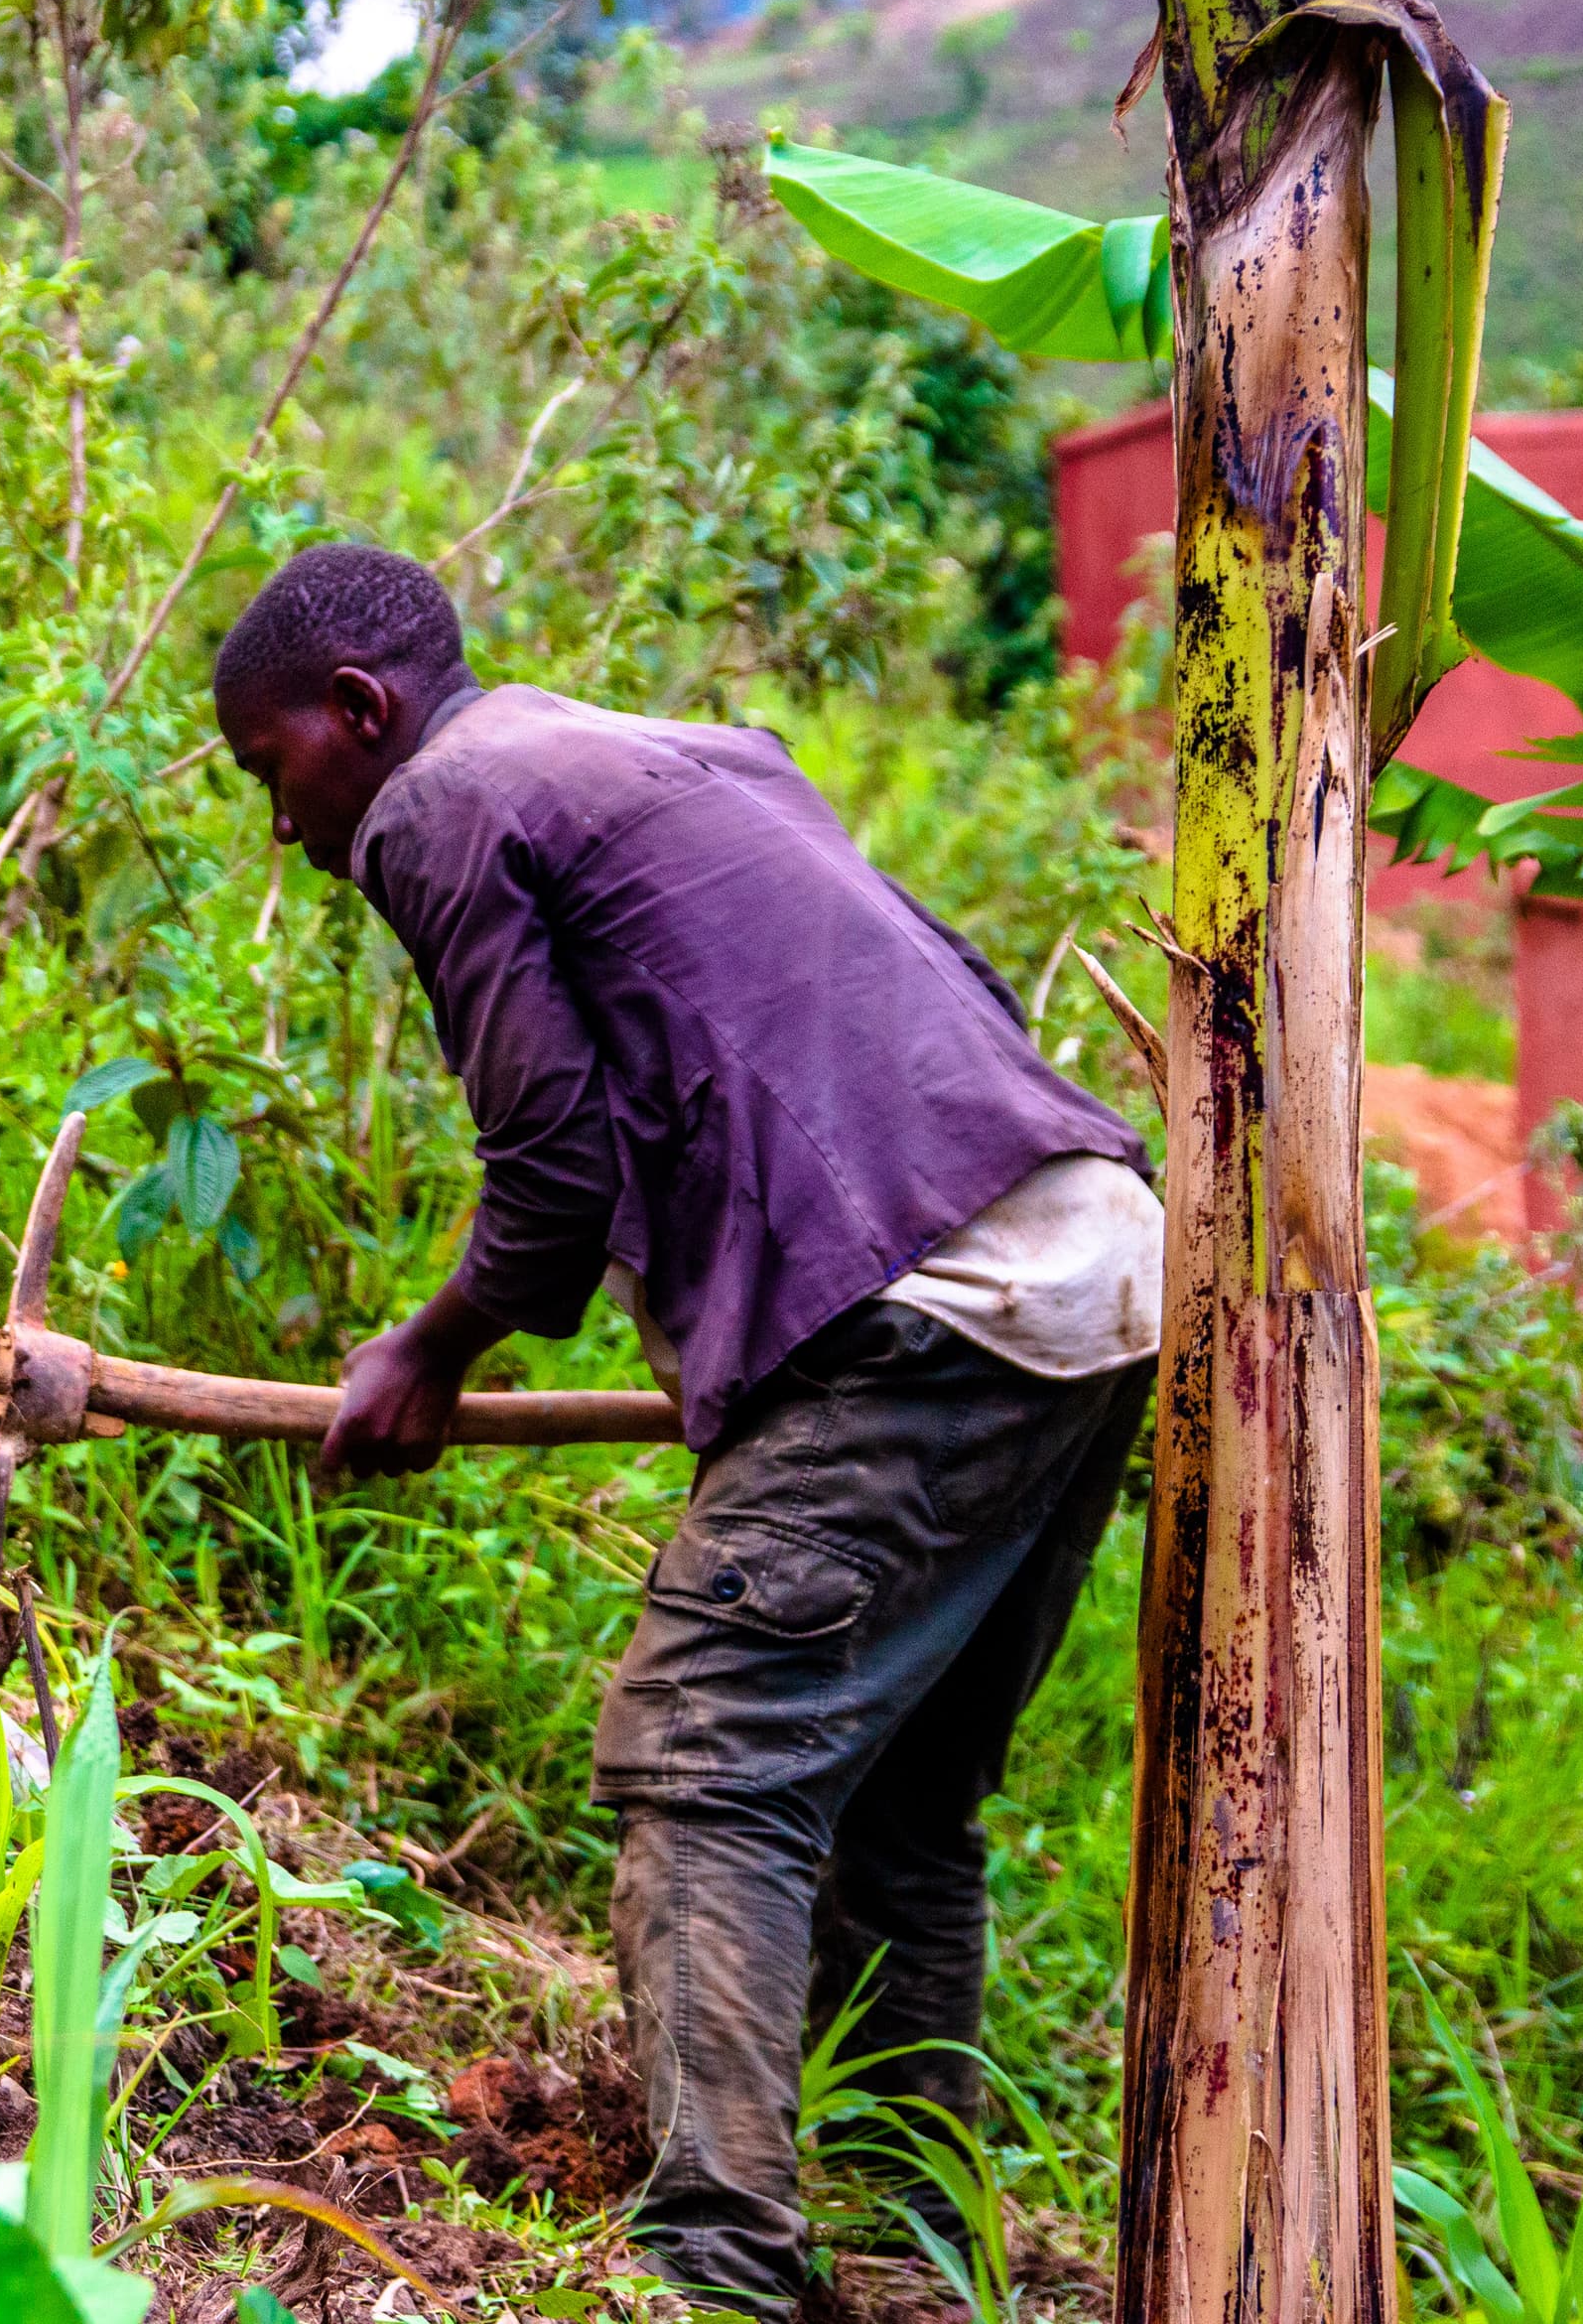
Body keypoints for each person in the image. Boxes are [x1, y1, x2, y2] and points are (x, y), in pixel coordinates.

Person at [210, 543, 1161, 2313]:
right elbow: (903, 1003)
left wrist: (431, 1349)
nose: (287, 829)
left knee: (709, 1750)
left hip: (930, 1309)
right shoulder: (683, 750)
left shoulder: (440, 804)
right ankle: (912, 2260)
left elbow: (556, 1172)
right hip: (1094, 1263)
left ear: (359, 713)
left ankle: (717, 2271)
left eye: (276, 774)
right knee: (894, 1809)